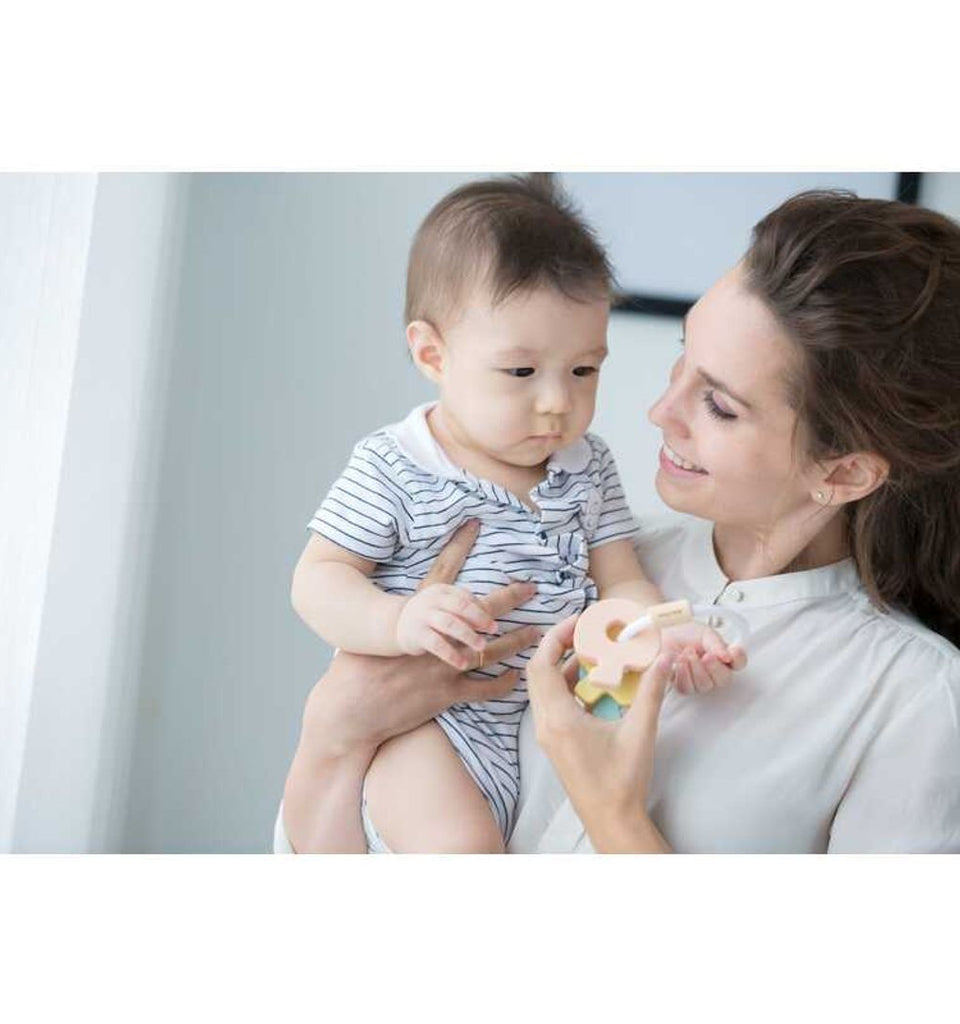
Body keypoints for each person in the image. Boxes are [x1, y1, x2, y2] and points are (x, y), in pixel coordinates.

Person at [279, 187, 960, 854]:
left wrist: (614, 814)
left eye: (719, 404)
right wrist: (333, 735)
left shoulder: (911, 700)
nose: (659, 410)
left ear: (843, 472)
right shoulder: (580, 560)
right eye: (681, 357)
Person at [290, 176, 739, 853]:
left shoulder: (587, 467)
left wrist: (661, 633)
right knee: (464, 852)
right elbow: (318, 579)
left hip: (537, 725)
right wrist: (399, 619)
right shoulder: (399, 464)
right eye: (522, 374)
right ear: (431, 354)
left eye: (584, 370)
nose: (558, 402)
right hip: (425, 731)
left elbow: (620, 579)